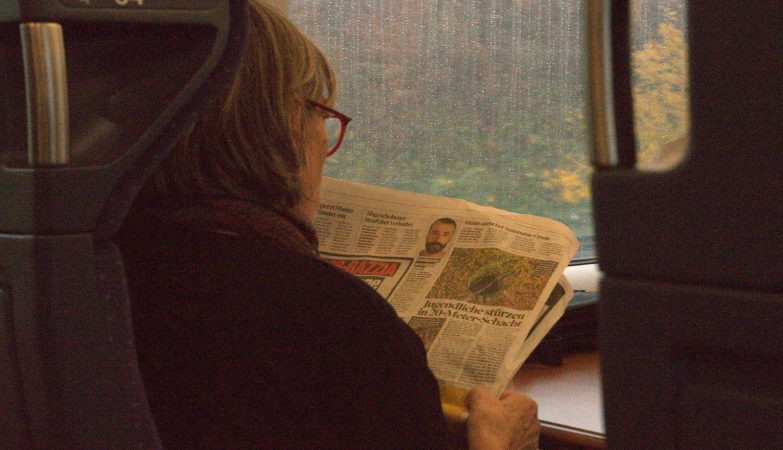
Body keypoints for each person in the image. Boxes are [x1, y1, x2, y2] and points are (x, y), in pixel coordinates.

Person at [116, 1, 540, 448]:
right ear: (277, 129)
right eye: (318, 113)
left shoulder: (97, 267)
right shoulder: (333, 321)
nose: (323, 139)